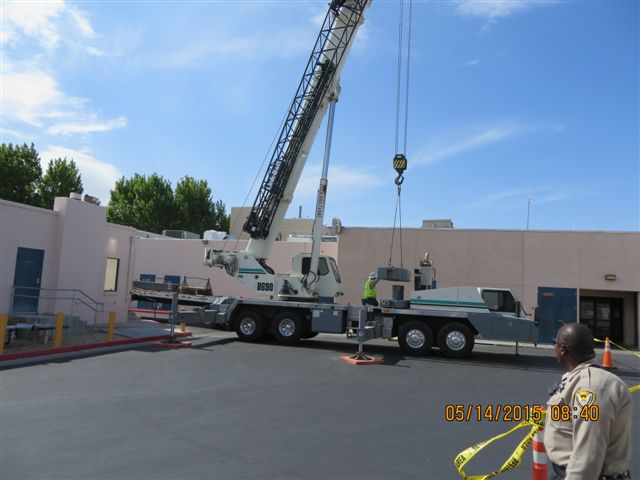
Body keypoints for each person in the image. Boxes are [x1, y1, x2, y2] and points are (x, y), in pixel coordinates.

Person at [545, 323, 632, 480]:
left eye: (555, 343)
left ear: (562, 349)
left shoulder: (591, 388)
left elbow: (588, 453)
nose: (554, 347)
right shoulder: (579, 379)